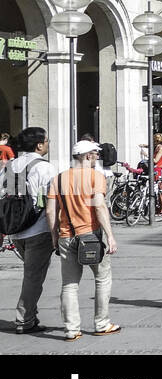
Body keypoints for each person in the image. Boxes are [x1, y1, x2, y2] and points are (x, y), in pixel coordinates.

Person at [45, 140, 118, 341]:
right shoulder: (96, 177)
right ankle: (102, 323)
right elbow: (100, 207)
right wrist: (110, 235)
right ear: (87, 156)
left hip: (66, 236)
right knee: (102, 278)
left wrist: (54, 236)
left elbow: (51, 211)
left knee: (69, 284)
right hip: (90, 236)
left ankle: (71, 329)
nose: (97, 157)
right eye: (95, 153)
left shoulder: (58, 179)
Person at [3, 128, 56, 333]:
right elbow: (53, 201)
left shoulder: (12, 165)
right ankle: (24, 319)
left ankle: (29, 315)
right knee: (33, 276)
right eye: (47, 141)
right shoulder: (45, 168)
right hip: (39, 228)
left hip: (16, 230)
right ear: (39, 145)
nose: (48, 144)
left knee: (31, 273)